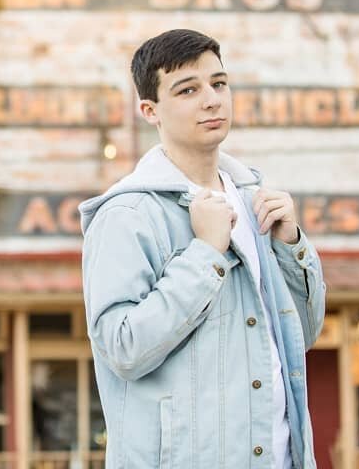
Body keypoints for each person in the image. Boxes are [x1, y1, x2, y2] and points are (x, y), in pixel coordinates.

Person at [80, 29, 326, 468]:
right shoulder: (127, 215)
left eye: (219, 83)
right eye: (188, 89)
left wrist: (291, 246)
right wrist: (206, 255)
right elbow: (122, 349)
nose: (212, 99)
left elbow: (302, 337)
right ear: (150, 111)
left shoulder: (255, 202)